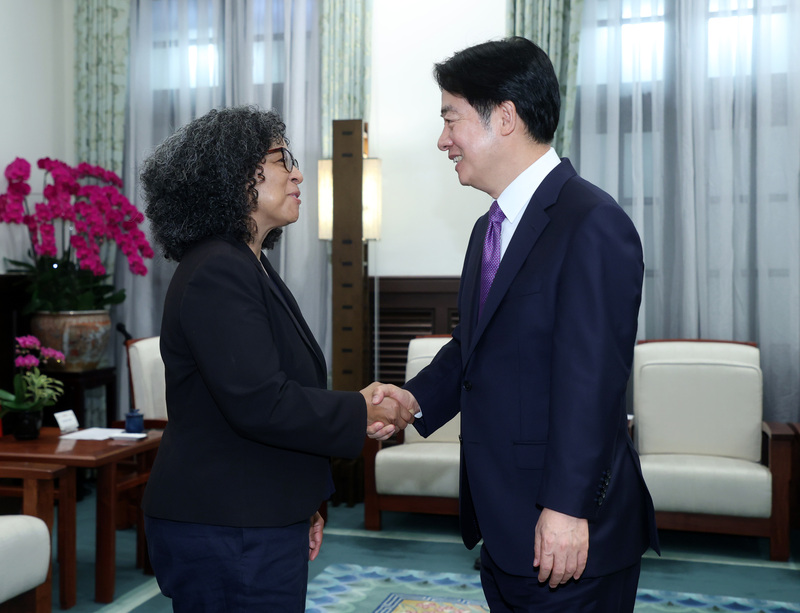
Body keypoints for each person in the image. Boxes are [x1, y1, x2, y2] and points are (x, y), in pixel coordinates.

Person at [373, 38, 660, 611]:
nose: (442, 140)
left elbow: (593, 384)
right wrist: (411, 400)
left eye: (450, 118)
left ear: (504, 116)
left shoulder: (591, 223)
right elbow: (474, 350)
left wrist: (566, 508)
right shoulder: (490, 228)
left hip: (565, 532)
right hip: (504, 526)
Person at [139, 105, 412, 612]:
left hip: (256, 513)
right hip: (224, 525)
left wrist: (304, 501)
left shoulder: (248, 262)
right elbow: (262, 402)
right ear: (232, 174)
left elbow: (276, 391)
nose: (298, 172)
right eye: (282, 158)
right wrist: (360, 410)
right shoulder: (219, 268)